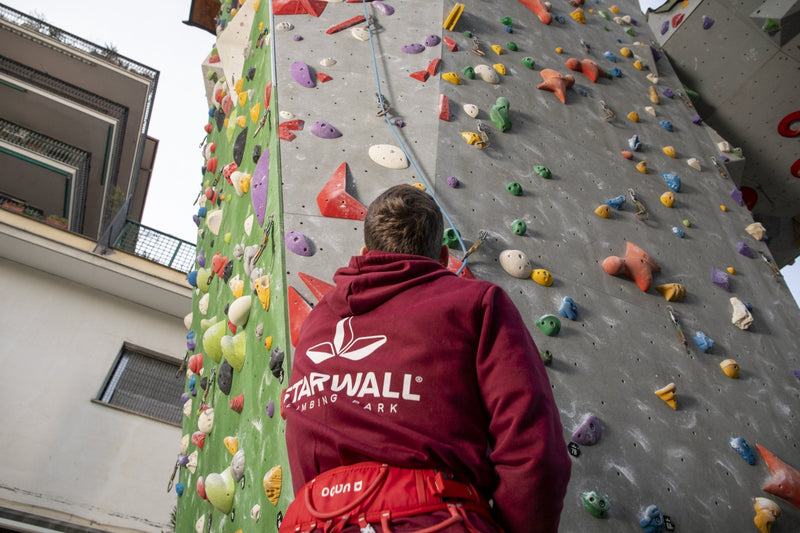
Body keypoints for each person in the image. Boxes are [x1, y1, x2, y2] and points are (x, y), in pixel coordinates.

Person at [281, 184, 571, 533]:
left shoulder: (318, 322)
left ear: (364, 252)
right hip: (433, 518)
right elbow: (535, 453)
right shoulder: (476, 303)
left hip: (309, 522)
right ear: (443, 257)